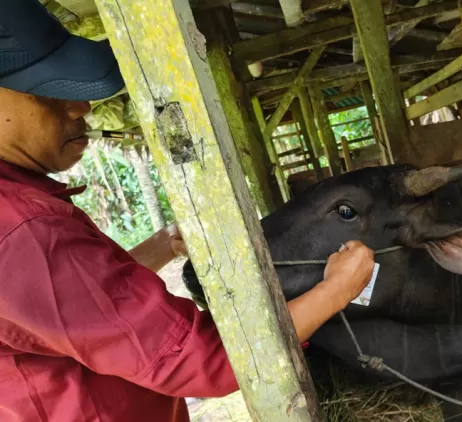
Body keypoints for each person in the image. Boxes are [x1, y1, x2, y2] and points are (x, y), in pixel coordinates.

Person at [0, 1, 376, 421]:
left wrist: (163, 244)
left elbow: (78, 303)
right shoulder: (24, 229)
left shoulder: (19, 209)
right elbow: (205, 360)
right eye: (49, 90)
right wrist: (337, 291)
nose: (81, 107)